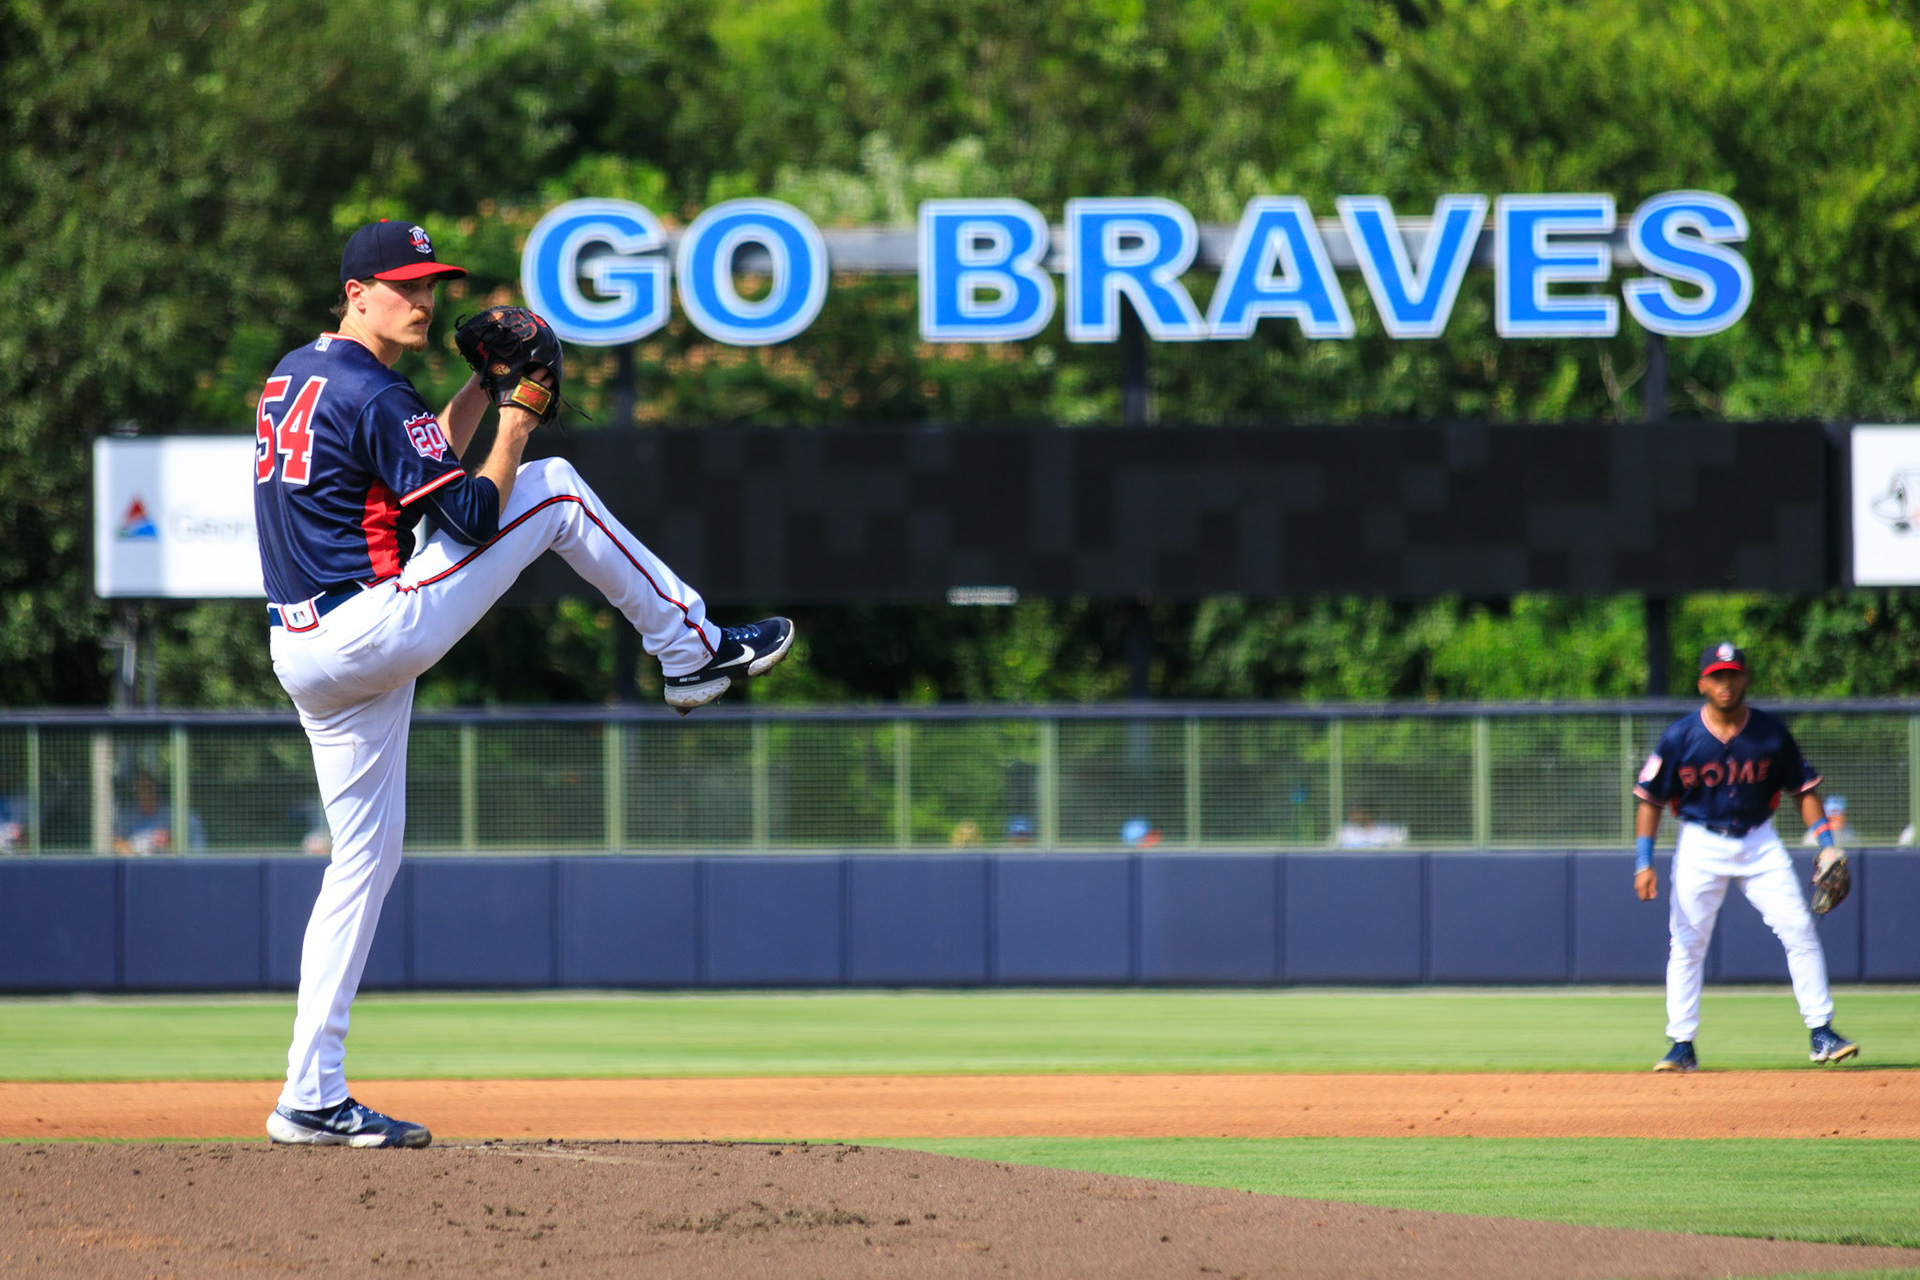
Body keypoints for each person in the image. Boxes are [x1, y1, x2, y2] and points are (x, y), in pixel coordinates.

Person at [253, 219, 793, 1148]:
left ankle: (309, 1095)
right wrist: (518, 409)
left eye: (431, 284)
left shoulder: (299, 373)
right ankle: (692, 649)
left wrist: (473, 390)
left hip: (305, 649)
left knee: (362, 866)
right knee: (553, 487)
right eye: (405, 285)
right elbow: (471, 504)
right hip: (366, 628)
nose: (424, 299)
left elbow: (419, 478)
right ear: (356, 293)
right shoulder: (375, 390)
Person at [1631, 643, 1857, 1072]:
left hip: (1759, 841)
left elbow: (1804, 791)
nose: (1725, 683)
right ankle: (1682, 1044)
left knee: (1798, 929)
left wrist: (1826, 842)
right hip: (1700, 842)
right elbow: (1650, 799)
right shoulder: (1680, 736)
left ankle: (1822, 1031)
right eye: (1716, 675)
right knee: (1687, 943)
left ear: (1744, 679)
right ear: (1702, 683)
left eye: (1732, 674)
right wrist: (1643, 861)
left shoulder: (1770, 733)